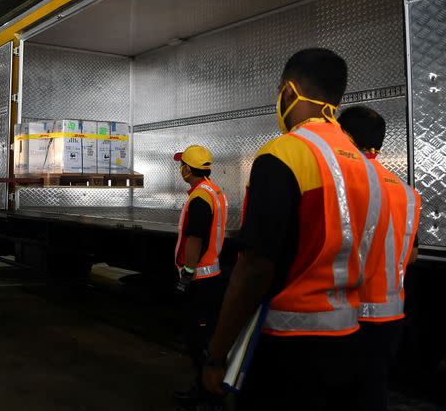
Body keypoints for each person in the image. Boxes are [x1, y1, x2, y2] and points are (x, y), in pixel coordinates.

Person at [202, 48, 387, 411]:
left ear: (288, 92)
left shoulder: (283, 154)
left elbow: (255, 268)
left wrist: (216, 352)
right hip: (349, 338)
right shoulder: (366, 167)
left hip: (286, 345)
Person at [338, 106, 421, 411]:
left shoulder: (345, 184)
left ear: (345, 136)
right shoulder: (407, 193)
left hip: (348, 315)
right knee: (374, 394)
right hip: (391, 317)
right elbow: (411, 254)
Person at [171, 145, 228, 411]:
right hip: (212, 277)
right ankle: (204, 389)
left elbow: (195, 239)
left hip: (201, 281)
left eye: (181, 164)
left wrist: (187, 274)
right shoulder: (213, 191)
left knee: (198, 341)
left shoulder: (200, 199)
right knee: (205, 338)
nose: (180, 168)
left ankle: (209, 395)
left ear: (186, 169)